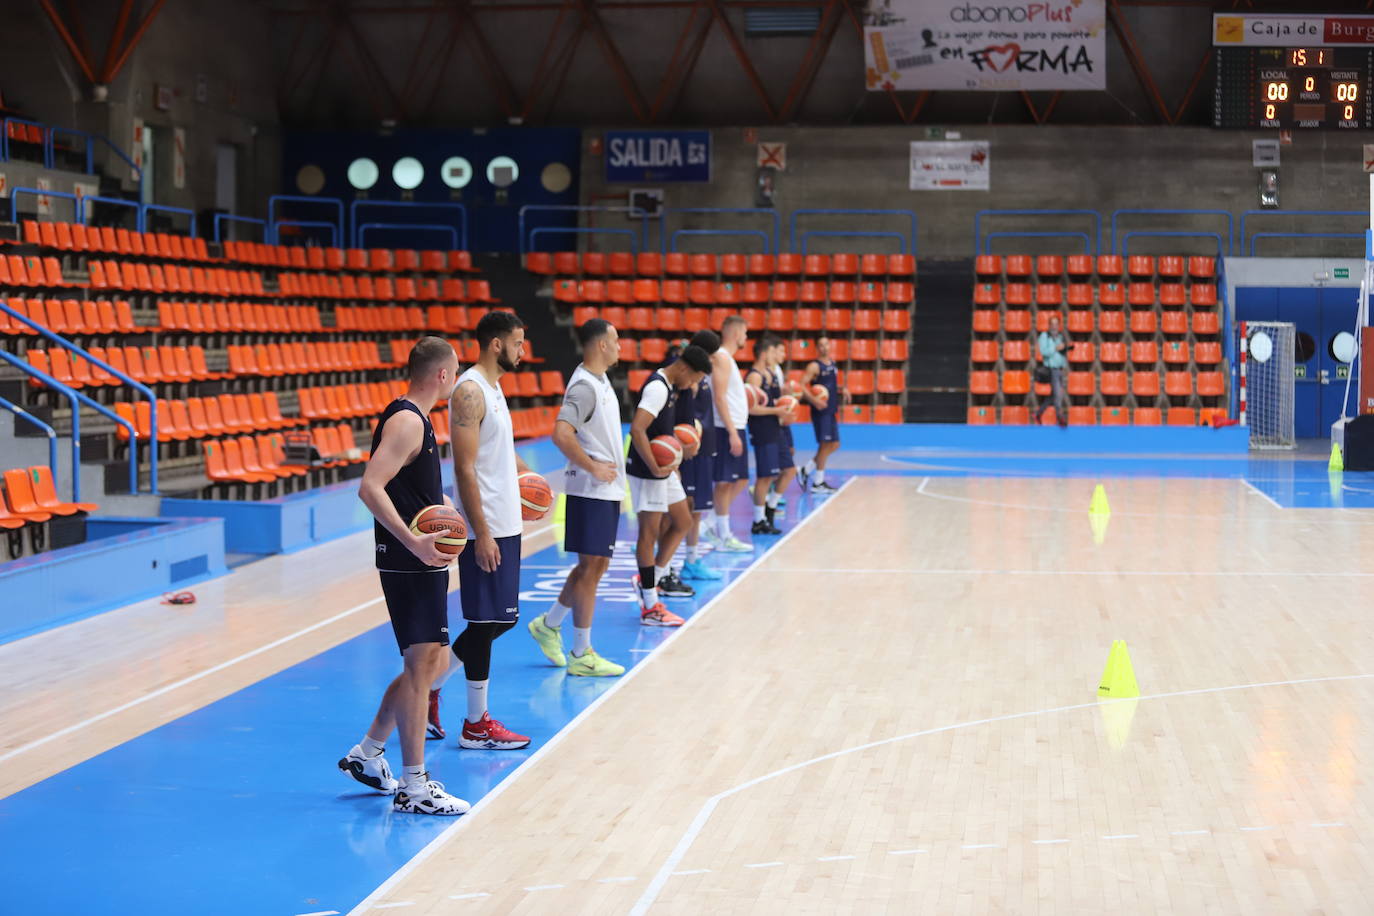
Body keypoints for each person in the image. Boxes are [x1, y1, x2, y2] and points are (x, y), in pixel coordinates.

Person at [338, 335, 470, 816]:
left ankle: (370, 752)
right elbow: (370, 487)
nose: (455, 379)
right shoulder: (408, 422)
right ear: (442, 375)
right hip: (408, 561)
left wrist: (449, 516)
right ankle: (414, 787)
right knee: (422, 669)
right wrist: (414, 541)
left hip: (420, 559)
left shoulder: (417, 418)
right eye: (454, 372)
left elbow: (413, 493)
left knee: (427, 665)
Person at [437, 310, 532, 750]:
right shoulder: (470, 391)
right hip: (487, 526)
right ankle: (476, 723)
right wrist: (482, 533)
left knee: (499, 621)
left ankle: (432, 687)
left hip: (505, 521)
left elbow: (498, 455)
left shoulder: (493, 389)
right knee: (484, 621)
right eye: (517, 342)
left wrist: (529, 478)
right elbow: (464, 467)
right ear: (497, 344)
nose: (522, 350)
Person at [526, 319, 626, 677]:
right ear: (601, 344)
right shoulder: (584, 386)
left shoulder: (600, 381)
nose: (619, 346)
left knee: (595, 568)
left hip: (605, 490)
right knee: (590, 570)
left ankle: (548, 625)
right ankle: (582, 652)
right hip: (590, 489)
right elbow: (560, 433)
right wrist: (593, 467)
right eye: (615, 340)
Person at [626, 344, 713, 626]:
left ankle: (653, 577)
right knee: (648, 533)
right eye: (696, 378)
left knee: (683, 520)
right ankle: (650, 606)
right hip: (648, 470)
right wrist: (654, 465)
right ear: (685, 368)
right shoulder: (658, 388)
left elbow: (661, 433)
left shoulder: (673, 387)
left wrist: (675, 457)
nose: (694, 384)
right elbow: (637, 428)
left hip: (664, 469)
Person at [675, 329, 722, 582]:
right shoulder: (687, 378)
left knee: (696, 508)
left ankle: (691, 561)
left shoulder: (701, 376)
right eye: (712, 355)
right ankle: (669, 560)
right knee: (683, 506)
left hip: (704, 446)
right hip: (689, 450)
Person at [707, 316, 753, 552]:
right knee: (724, 482)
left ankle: (712, 522)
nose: (746, 337)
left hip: (735, 426)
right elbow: (719, 397)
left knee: (741, 479)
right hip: (726, 428)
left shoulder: (728, 360)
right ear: (736, 333)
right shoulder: (722, 359)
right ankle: (723, 535)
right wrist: (732, 432)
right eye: (744, 333)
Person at [744, 334, 793, 536]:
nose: (777, 355)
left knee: (788, 470)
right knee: (765, 476)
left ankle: (770, 509)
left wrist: (787, 404)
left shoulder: (771, 374)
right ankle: (758, 520)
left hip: (776, 427)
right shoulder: (755, 376)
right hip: (762, 428)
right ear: (764, 353)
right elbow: (751, 408)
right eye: (773, 351)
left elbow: (775, 402)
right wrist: (776, 412)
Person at [799, 335, 847, 495]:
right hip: (821, 410)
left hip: (831, 409)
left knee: (834, 444)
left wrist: (842, 388)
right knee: (825, 444)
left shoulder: (833, 364)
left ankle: (806, 469)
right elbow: (801, 385)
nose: (824, 347)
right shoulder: (814, 366)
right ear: (817, 348)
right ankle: (818, 482)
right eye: (821, 345)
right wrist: (814, 400)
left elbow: (830, 384)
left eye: (826, 344)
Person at [1036, 314, 1069, 427]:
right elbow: (1044, 352)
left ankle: (1038, 414)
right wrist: (1055, 348)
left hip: (1060, 369)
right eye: (1052, 324)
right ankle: (1060, 416)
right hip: (1051, 369)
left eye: (1056, 324)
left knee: (1055, 395)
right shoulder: (1044, 336)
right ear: (1049, 325)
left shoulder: (1060, 337)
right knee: (1057, 394)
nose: (1054, 326)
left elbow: (1062, 354)